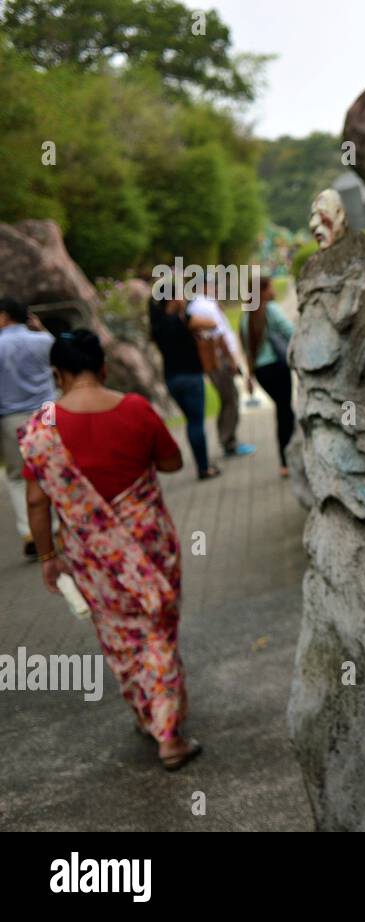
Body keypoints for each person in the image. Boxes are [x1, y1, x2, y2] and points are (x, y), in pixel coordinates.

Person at [19, 330, 201, 770]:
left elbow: (37, 501)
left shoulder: (42, 428)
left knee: (121, 636)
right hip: (149, 539)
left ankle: (147, 713)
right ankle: (169, 735)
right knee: (156, 626)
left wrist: (48, 558)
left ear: (57, 375)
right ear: (103, 367)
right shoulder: (136, 408)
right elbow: (173, 462)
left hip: (90, 555)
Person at [0, 298, 56, 558]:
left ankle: (30, 531)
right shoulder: (44, 341)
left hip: (11, 417)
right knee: (53, 469)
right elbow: (60, 358)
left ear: (3, 316)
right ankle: (57, 526)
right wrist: (41, 329)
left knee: (17, 477)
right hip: (47, 412)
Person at [149, 293, 221, 480]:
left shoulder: (157, 325)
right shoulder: (183, 320)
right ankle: (203, 467)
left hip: (172, 379)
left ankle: (202, 463)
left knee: (191, 422)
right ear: (172, 299)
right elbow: (212, 323)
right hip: (191, 377)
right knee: (196, 423)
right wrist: (184, 310)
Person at [187, 276, 255, 459]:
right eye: (215, 285)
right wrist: (232, 361)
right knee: (230, 398)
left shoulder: (203, 304)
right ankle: (228, 441)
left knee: (229, 398)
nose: (218, 289)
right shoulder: (204, 306)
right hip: (219, 361)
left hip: (218, 360)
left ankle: (228, 439)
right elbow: (219, 336)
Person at [242, 276, 295, 477]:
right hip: (277, 367)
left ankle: (287, 458)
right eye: (270, 286)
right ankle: (287, 460)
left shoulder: (247, 315)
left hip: (262, 372)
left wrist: (249, 377)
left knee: (283, 411)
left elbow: (248, 350)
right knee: (285, 412)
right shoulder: (270, 310)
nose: (273, 289)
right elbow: (290, 331)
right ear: (263, 290)